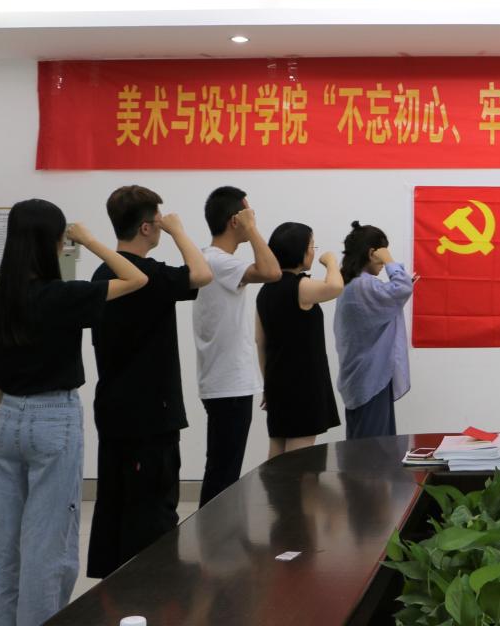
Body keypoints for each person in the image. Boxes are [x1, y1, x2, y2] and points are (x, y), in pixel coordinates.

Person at [0, 199, 148, 626]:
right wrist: (89, 240)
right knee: (47, 545)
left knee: (5, 545)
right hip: (54, 421)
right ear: (55, 242)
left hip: (7, 421)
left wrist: (15, 416)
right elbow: (136, 277)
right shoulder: (62, 296)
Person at [87, 185, 213, 579]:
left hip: (114, 408)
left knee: (115, 502)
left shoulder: (102, 273)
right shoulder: (147, 274)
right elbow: (202, 274)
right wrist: (178, 231)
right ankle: (151, 589)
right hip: (150, 415)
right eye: (158, 221)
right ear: (146, 227)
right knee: (152, 507)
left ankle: (114, 589)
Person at [192, 187, 281, 506]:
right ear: (235, 221)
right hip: (228, 383)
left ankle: (217, 532)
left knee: (222, 468)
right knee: (223, 473)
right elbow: (272, 271)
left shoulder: (211, 258)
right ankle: (214, 533)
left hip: (224, 381)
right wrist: (252, 230)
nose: (253, 219)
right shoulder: (219, 261)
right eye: (248, 214)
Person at [255, 222, 344, 458]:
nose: (314, 251)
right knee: (300, 462)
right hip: (303, 381)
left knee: (277, 452)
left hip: (277, 380)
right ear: (300, 251)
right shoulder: (300, 286)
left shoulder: (265, 290)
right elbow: (335, 286)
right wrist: (331, 261)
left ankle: (274, 486)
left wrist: (267, 384)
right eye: (312, 246)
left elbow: (260, 341)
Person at [333, 221, 414, 439]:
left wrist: (400, 287)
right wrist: (389, 261)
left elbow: (393, 296)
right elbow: (401, 288)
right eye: (383, 251)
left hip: (363, 376)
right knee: (373, 448)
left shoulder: (351, 283)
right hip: (371, 377)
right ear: (372, 253)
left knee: (365, 444)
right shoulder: (364, 285)